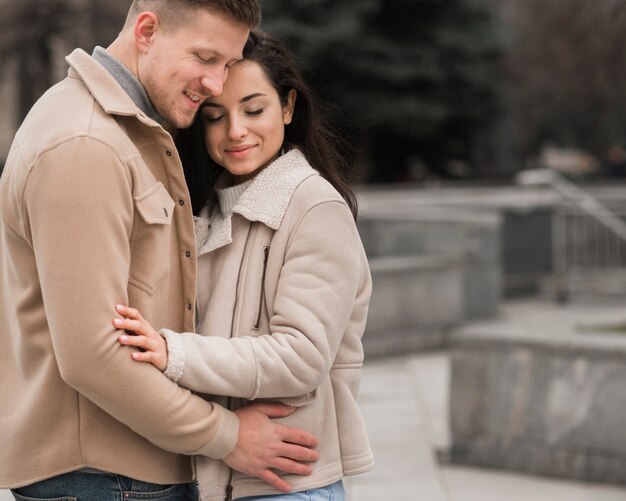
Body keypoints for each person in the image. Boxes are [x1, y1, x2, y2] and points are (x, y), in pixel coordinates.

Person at [0, 2, 320, 500]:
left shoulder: (129, 129)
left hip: (122, 473)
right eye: (205, 58)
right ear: (147, 30)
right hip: (104, 479)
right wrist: (228, 437)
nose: (217, 84)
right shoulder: (86, 143)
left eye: (229, 65)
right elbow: (92, 356)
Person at [113, 31, 374, 501]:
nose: (236, 131)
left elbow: (300, 358)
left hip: (287, 483)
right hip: (216, 474)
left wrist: (175, 354)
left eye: (254, 110)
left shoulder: (313, 207)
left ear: (289, 107)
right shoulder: (205, 209)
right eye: (216, 117)